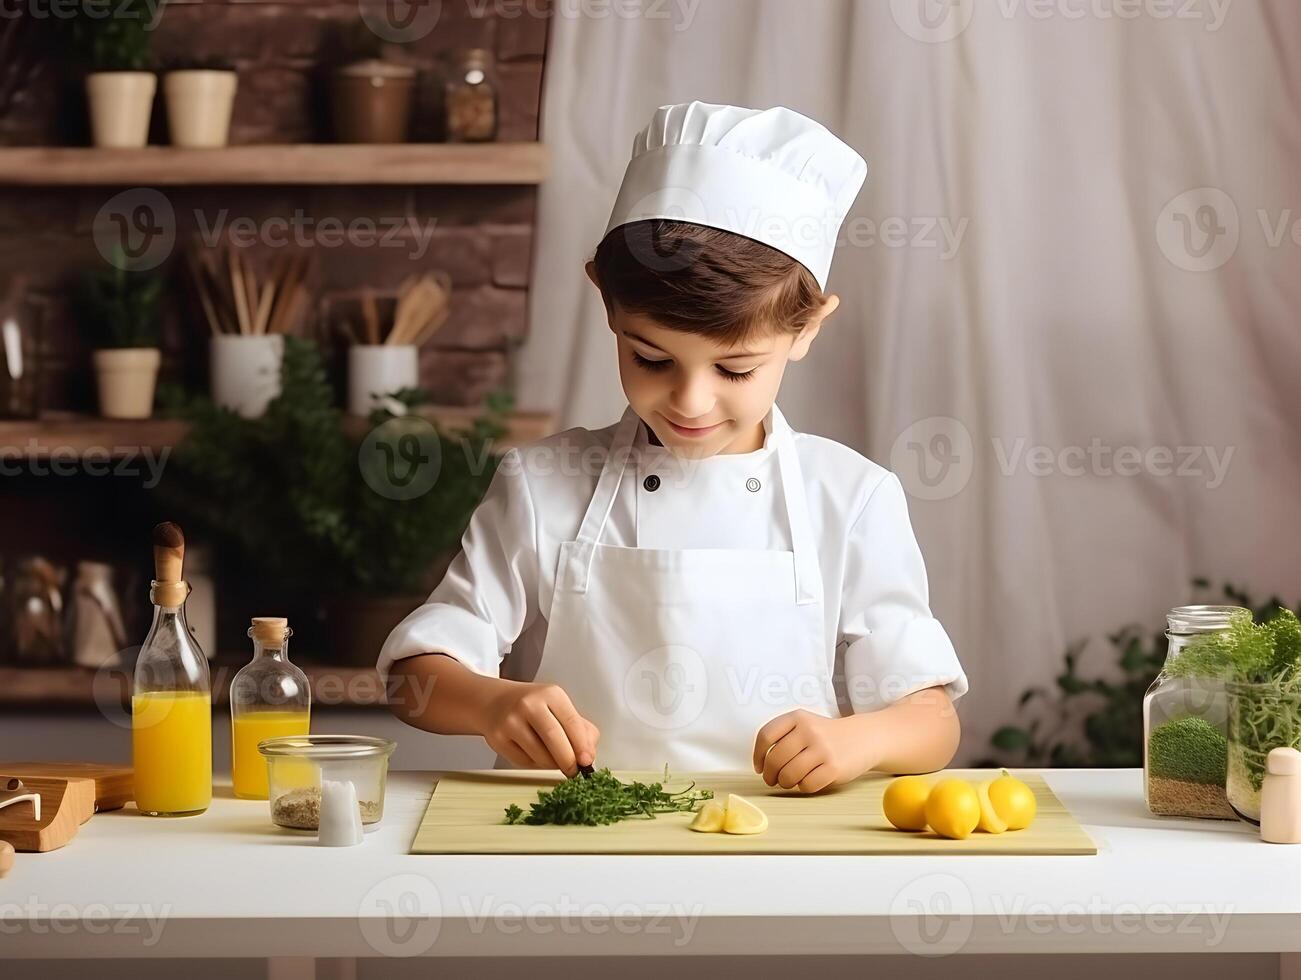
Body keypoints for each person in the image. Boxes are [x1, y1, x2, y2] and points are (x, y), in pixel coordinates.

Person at [382, 101, 968, 792]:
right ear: (605, 303)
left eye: (735, 369)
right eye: (650, 358)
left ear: (807, 328)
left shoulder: (850, 497)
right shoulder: (544, 483)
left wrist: (861, 738)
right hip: (566, 852)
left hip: (777, 852)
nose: (690, 402)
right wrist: (492, 702)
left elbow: (932, 721)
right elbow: (413, 679)